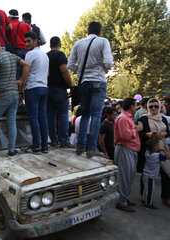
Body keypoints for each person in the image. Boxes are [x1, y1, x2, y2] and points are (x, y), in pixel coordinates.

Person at [68, 21, 113, 157]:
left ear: (87, 32)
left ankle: (81, 146)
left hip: (84, 82)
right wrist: (105, 68)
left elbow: (70, 65)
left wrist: (79, 70)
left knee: (85, 115)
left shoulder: (78, 43)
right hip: (99, 81)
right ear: (99, 32)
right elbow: (109, 62)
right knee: (95, 116)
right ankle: (92, 148)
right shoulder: (103, 41)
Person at [0, 35, 30, 157]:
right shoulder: (12, 56)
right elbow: (27, 66)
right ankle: (11, 150)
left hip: (1, 96)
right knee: (11, 122)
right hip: (14, 95)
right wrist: (21, 80)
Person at [20, 31, 49, 154]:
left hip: (32, 88)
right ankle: (44, 146)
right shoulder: (45, 56)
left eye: (28, 41)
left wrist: (21, 87)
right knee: (43, 117)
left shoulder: (30, 54)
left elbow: (26, 72)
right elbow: (47, 73)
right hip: (44, 87)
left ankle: (36, 146)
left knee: (33, 118)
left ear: (35, 41)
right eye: (25, 41)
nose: (26, 44)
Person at [138, 98, 170, 208]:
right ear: (147, 107)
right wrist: (148, 135)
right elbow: (138, 133)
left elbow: (168, 131)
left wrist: (164, 134)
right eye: (150, 106)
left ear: (159, 107)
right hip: (150, 150)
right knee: (147, 174)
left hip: (162, 146)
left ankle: (166, 197)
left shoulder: (163, 119)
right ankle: (144, 196)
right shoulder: (143, 119)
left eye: (156, 106)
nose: (153, 108)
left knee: (166, 173)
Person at [114, 98, 143, 212]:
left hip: (129, 150)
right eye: (136, 105)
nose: (137, 107)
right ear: (131, 107)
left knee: (129, 176)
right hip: (125, 150)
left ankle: (124, 197)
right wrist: (137, 129)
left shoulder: (127, 117)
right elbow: (125, 136)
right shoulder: (123, 118)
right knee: (124, 176)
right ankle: (121, 201)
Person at [47, 36, 73, 148]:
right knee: (63, 115)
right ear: (60, 44)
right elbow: (64, 70)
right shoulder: (60, 55)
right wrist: (71, 85)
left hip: (47, 88)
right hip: (60, 89)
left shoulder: (46, 56)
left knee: (50, 115)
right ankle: (64, 141)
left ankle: (53, 139)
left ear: (50, 45)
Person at [142, 138, 170, 209]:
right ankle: (148, 204)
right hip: (150, 176)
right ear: (155, 147)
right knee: (150, 191)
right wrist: (163, 149)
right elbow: (168, 157)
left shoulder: (147, 153)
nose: (159, 146)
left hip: (145, 174)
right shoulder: (158, 156)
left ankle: (144, 200)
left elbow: (148, 147)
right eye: (158, 145)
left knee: (146, 188)